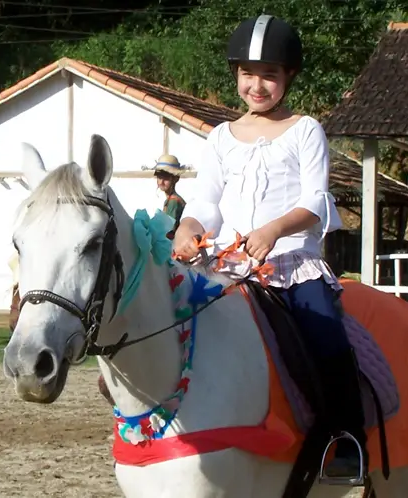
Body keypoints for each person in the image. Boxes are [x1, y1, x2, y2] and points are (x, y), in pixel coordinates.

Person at [173, 15, 366, 478]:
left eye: (269, 75)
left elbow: (315, 201)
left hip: (290, 264)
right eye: (248, 74)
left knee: (327, 338)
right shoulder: (220, 137)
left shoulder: (305, 130)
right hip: (226, 267)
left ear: (289, 76)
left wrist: (274, 230)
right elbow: (206, 202)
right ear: (236, 73)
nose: (256, 85)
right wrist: (187, 228)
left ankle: (346, 439)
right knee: (168, 320)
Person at [154, 154, 186, 238]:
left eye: (166, 178)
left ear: (175, 179)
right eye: (159, 177)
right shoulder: (170, 200)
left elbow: (168, 232)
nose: (161, 182)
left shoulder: (174, 201)